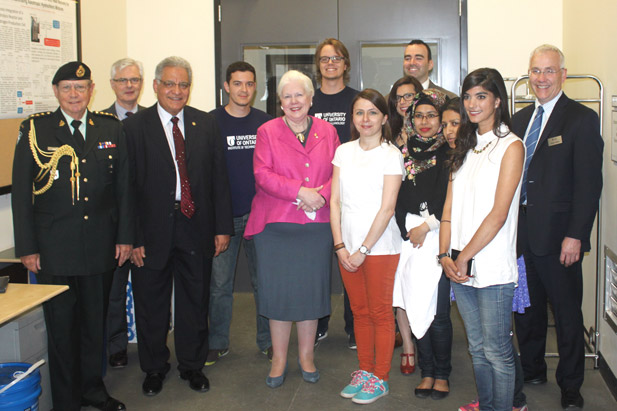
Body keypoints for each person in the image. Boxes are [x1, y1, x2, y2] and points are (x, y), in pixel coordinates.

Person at [12, 61, 132, 411]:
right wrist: (28, 247)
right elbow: (22, 193)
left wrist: (125, 237)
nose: (74, 94)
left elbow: (123, 188)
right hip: (54, 250)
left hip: (99, 246)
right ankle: (66, 401)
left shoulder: (110, 128)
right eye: (67, 88)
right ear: (56, 92)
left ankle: (93, 390)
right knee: (62, 330)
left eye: (81, 88)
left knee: (95, 326)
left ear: (92, 90)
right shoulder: (36, 130)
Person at [123, 56, 233, 396]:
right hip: (150, 231)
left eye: (183, 84)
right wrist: (132, 237)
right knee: (151, 302)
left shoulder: (205, 123)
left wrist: (222, 227)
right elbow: (126, 189)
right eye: (169, 83)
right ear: (155, 86)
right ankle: (154, 368)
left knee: (194, 300)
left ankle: (192, 365)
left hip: (195, 226)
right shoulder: (134, 126)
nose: (176, 90)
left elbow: (218, 179)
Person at [513, 44, 603, 410]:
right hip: (520, 235)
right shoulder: (519, 121)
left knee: (566, 315)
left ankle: (571, 387)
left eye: (549, 71)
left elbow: (588, 184)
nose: (542, 78)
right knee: (527, 310)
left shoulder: (580, 118)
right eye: (536, 71)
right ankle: (533, 368)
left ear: (563, 75)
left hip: (560, 238)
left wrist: (577, 235)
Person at [244, 70, 340, 388]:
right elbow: (263, 174)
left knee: (311, 293)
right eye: (288, 96)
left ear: (311, 99)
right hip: (275, 226)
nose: (294, 101)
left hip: (317, 226)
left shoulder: (328, 131)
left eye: (300, 95)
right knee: (278, 295)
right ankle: (279, 359)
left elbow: (339, 174)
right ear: (280, 102)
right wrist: (301, 192)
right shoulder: (267, 131)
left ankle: (307, 356)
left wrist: (321, 195)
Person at [440, 68, 524, 411]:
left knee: (497, 352)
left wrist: (462, 258)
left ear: (497, 100)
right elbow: (448, 209)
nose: (472, 104)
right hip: (458, 265)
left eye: (481, 96)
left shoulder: (511, 146)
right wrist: (444, 255)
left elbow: (498, 214)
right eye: (468, 97)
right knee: (476, 348)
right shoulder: (465, 145)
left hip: (490, 268)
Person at [332, 89, 404, 404]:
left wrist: (363, 249)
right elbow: (334, 201)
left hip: (380, 248)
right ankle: (365, 370)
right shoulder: (343, 151)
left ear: (385, 118)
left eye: (373, 113)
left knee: (379, 313)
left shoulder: (391, 154)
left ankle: (381, 376)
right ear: (353, 118)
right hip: (346, 248)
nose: (366, 119)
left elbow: (387, 208)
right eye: (360, 113)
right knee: (359, 312)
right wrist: (340, 246)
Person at [206, 61, 273, 366]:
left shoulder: (266, 123)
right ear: (226, 86)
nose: (243, 90)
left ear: (255, 87)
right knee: (220, 286)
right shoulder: (210, 123)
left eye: (249, 84)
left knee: (265, 282)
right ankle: (217, 342)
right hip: (224, 218)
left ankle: (268, 341)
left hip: (261, 214)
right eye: (237, 84)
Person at [393, 89, 452, 399]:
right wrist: (408, 227)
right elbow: (395, 195)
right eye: (419, 115)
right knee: (416, 305)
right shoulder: (401, 151)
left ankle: (442, 373)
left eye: (431, 115)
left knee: (438, 312)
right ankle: (426, 371)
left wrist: (427, 226)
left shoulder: (450, 152)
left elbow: (451, 200)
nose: (425, 121)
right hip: (409, 239)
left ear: (441, 119)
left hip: (438, 237)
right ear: (410, 118)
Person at [309, 38, 359, 348]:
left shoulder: (356, 100)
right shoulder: (308, 100)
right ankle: (318, 324)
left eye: (337, 58)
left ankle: (354, 326)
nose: (331, 63)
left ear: (345, 64)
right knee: (316, 265)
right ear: (318, 64)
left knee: (350, 263)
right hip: (314, 194)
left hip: (351, 193)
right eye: (325, 58)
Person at [103, 57, 145, 369]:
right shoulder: (99, 122)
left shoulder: (154, 118)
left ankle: (151, 343)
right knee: (114, 293)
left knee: (149, 290)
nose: (129, 86)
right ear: (112, 85)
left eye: (134, 80)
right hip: (113, 225)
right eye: (123, 81)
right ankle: (116, 346)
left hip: (147, 222)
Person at [387, 76, 423, 148]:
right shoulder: (388, 130)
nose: (402, 102)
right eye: (398, 97)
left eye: (408, 96)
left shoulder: (426, 129)